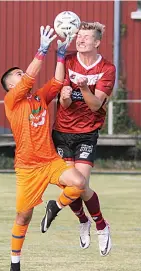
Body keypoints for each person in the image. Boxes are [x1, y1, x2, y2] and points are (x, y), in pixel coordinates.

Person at [1, 25, 86, 271]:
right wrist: (42, 50)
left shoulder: (38, 97)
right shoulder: (12, 101)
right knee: (23, 217)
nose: (23, 76)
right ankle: (15, 265)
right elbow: (29, 77)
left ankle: (55, 206)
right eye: (17, 75)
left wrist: (61, 54)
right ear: (12, 86)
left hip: (50, 161)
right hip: (27, 168)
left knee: (79, 183)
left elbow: (58, 83)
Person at [52, 21, 116, 257]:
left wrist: (84, 88)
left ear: (97, 42)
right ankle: (83, 221)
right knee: (69, 185)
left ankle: (101, 225)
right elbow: (64, 102)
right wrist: (66, 96)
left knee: (80, 184)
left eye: (86, 37)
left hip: (87, 132)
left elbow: (96, 104)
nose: (80, 40)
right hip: (62, 131)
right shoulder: (67, 61)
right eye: (79, 36)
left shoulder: (107, 68)